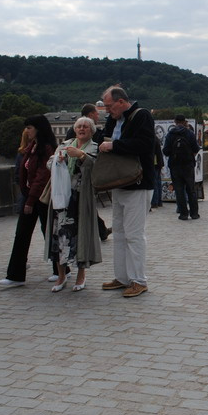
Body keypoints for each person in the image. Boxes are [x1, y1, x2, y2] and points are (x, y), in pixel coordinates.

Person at [99, 86, 155, 298]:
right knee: (120, 233)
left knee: (134, 234)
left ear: (121, 102)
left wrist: (113, 146)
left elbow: (144, 145)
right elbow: (103, 140)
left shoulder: (142, 116)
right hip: (119, 182)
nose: (107, 110)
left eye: (109, 106)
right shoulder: (114, 119)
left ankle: (139, 280)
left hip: (138, 182)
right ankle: (122, 277)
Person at [0, 115, 57, 287]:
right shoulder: (32, 146)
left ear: (38, 129)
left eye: (29, 127)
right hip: (30, 195)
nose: (27, 131)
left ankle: (61, 269)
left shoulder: (46, 148)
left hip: (41, 198)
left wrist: (30, 199)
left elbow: (42, 176)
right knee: (22, 234)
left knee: (49, 233)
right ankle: (15, 275)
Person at [46, 117, 103, 292]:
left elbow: (98, 167)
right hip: (62, 197)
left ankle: (81, 275)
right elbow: (49, 163)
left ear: (91, 130)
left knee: (80, 235)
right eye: (79, 126)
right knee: (59, 235)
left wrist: (82, 156)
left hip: (81, 197)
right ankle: (61, 275)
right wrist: (58, 159)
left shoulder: (94, 147)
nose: (82, 129)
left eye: (86, 126)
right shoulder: (65, 144)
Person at [64, 103, 111, 240]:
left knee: (85, 209)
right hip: (75, 181)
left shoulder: (76, 133)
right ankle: (97, 232)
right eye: (96, 113)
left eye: (84, 128)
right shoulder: (86, 135)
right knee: (84, 210)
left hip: (84, 181)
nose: (98, 115)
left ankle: (95, 233)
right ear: (91, 114)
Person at [162, 114, 200, 218]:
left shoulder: (170, 134)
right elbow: (196, 149)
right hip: (188, 165)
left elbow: (166, 151)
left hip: (175, 166)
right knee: (191, 189)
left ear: (175, 121)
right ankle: (194, 213)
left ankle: (183, 214)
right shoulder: (189, 133)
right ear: (184, 121)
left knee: (179, 190)